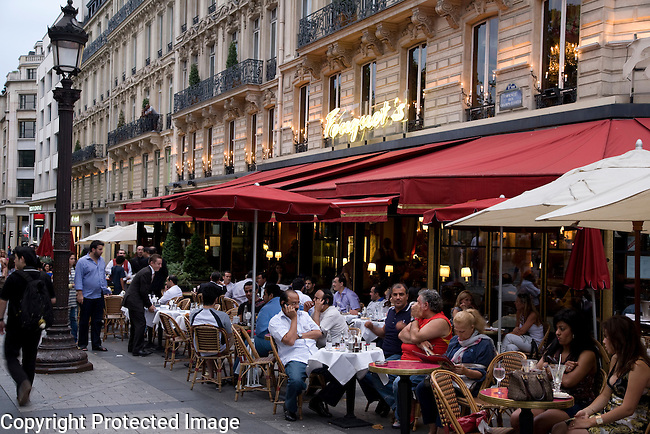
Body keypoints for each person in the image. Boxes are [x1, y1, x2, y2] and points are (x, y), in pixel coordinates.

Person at [555, 315, 650, 434]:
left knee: (573, 432)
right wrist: (587, 411)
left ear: (618, 339)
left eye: (606, 337)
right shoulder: (616, 359)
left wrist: (592, 421)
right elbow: (605, 395)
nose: (603, 341)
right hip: (608, 416)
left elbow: (628, 409)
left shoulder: (638, 366)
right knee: (559, 428)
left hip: (630, 423)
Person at [511, 309, 599, 434]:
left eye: (562, 329)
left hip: (574, 404)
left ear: (575, 330)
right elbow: (535, 370)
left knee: (539, 423)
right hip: (548, 399)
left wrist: (547, 368)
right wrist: (554, 368)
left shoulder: (586, 354)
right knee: (516, 418)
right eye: (557, 328)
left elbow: (568, 381)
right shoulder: (555, 347)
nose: (557, 333)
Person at [415, 309, 497, 433]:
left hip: (473, 384)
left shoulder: (484, 343)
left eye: (462, 331)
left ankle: (443, 428)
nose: (459, 334)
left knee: (440, 389)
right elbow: (448, 359)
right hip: (452, 378)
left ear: (472, 328)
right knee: (422, 387)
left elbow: (484, 374)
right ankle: (432, 427)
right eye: (456, 330)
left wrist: (465, 371)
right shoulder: (455, 340)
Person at [0, 246, 55, 406]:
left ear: (22, 259)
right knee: (30, 358)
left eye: (15, 258)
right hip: (36, 324)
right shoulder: (44, 277)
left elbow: (3, 300)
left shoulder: (14, 278)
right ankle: (26, 390)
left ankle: (22, 382)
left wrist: (0, 319)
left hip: (16, 323)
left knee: (11, 356)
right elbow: (52, 300)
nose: (14, 261)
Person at [393, 289, 453, 428]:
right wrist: (419, 342)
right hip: (407, 363)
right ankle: (403, 407)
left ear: (426, 305)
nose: (414, 306)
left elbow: (413, 336)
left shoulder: (439, 321)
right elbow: (402, 335)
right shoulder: (421, 319)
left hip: (428, 367)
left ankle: (404, 418)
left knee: (398, 383)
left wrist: (414, 323)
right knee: (375, 375)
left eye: (417, 302)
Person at [268, 289, 322, 421]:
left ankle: (318, 401)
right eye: (293, 303)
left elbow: (318, 333)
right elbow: (290, 341)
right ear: (283, 304)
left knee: (341, 375)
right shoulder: (275, 322)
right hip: (294, 357)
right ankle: (290, 407)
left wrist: (300, 335)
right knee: (296, 381)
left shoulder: (304, 315)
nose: (297, 306)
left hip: (314, 354)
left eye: (298, 303)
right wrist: (294, 319)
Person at [359, 283, 412, 417]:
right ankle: (386, 399)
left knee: (376, 372)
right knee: (361, 371)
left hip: (399, 355)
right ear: (391, 297)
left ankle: (397, 407)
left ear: (407, 296)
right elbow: (383, 333)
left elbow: (415, 338)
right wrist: (371, 328)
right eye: (395, 295)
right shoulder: (391, 312)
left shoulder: (411, 314)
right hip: (383, 353)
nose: (398, 297)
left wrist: (405, 329)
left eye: (401, 294)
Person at [308, 288, 353, 418]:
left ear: (325, 301)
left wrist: (315, 311)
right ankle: (318, 399)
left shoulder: (331, 313)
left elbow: (317, 331)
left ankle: (318, 399)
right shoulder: (319, 312)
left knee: (347, 374)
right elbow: (310, 328)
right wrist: (308, 311)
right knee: (347, 375)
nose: (314, 301)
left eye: (317, 298)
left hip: (338, 353)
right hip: (324, 354)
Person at [75, 240, 111, 352]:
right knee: (84, 321)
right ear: (93, 249)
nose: (101, 252)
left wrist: (105, 290)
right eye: (100, 249)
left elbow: (102, 277)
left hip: (98, 295)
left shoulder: (101, 261)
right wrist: (79, 293)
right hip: (86, 295)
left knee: (97, 321)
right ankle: (82, 343)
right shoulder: (82, 261)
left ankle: (96, 343)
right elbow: (78, 278)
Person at [123, 254, 162, 357]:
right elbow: (143, 291)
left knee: (136, 324)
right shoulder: (147, 272)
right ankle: (137, 349)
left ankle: (132, 346)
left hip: (132, 299)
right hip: (134, 300)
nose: (160, 266)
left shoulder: (147, 271)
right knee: (141, 324)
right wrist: (149, 305)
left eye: (161, 264)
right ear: (151, 263)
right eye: (158, 264)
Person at [254, 283, 283, 357]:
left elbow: (260, 331)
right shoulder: (285, 304)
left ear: (271, 295)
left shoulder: (266, 308)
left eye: (265, 294)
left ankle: (247, 366)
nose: (263, 297)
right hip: (287, 340)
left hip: (274, 343)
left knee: (250, 341)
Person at [68, 252, 78, 343]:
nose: (73, 261)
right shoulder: (61, 271)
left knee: (73, 318)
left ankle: (74, 338)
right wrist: (71, 285)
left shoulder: (74, 271)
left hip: (73, 298)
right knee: (67, 319)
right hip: (66, 298)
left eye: (74, 259)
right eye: (71, 259)